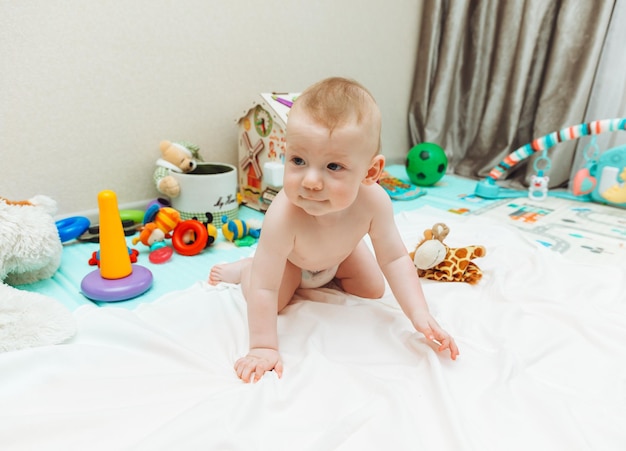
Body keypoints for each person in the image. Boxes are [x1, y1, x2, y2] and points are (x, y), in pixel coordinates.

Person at [209, 77, 459, 383]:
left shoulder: (375, 203)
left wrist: (420, 315)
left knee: (372, 289)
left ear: (371, 172)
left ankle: (326, 269)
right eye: (298, 160)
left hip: (342, 254)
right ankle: (245, 269)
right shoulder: (283, 216)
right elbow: (265, 287)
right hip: (292, 261)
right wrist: (262, 347)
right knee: (270, 298)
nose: (311, 181)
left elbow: (394, 259)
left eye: (333, 167)